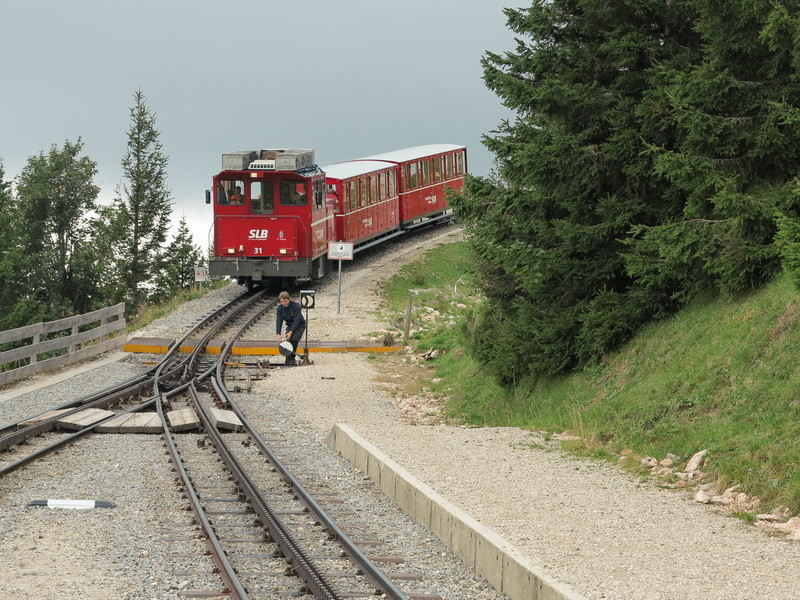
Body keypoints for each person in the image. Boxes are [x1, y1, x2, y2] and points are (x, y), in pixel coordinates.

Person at [275, 291, 305, 365]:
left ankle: (292, 358)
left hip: (300, 325)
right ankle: (288, 361)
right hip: (290, 325)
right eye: (282, 301)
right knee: (288, 340)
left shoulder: (296, 306)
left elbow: (297, 319)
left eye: (285, 301)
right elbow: (279, 321)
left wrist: (291, 332)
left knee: (294, 339)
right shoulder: (280, 309)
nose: (284, 303)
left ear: (288, 299)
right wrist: (278, 333)